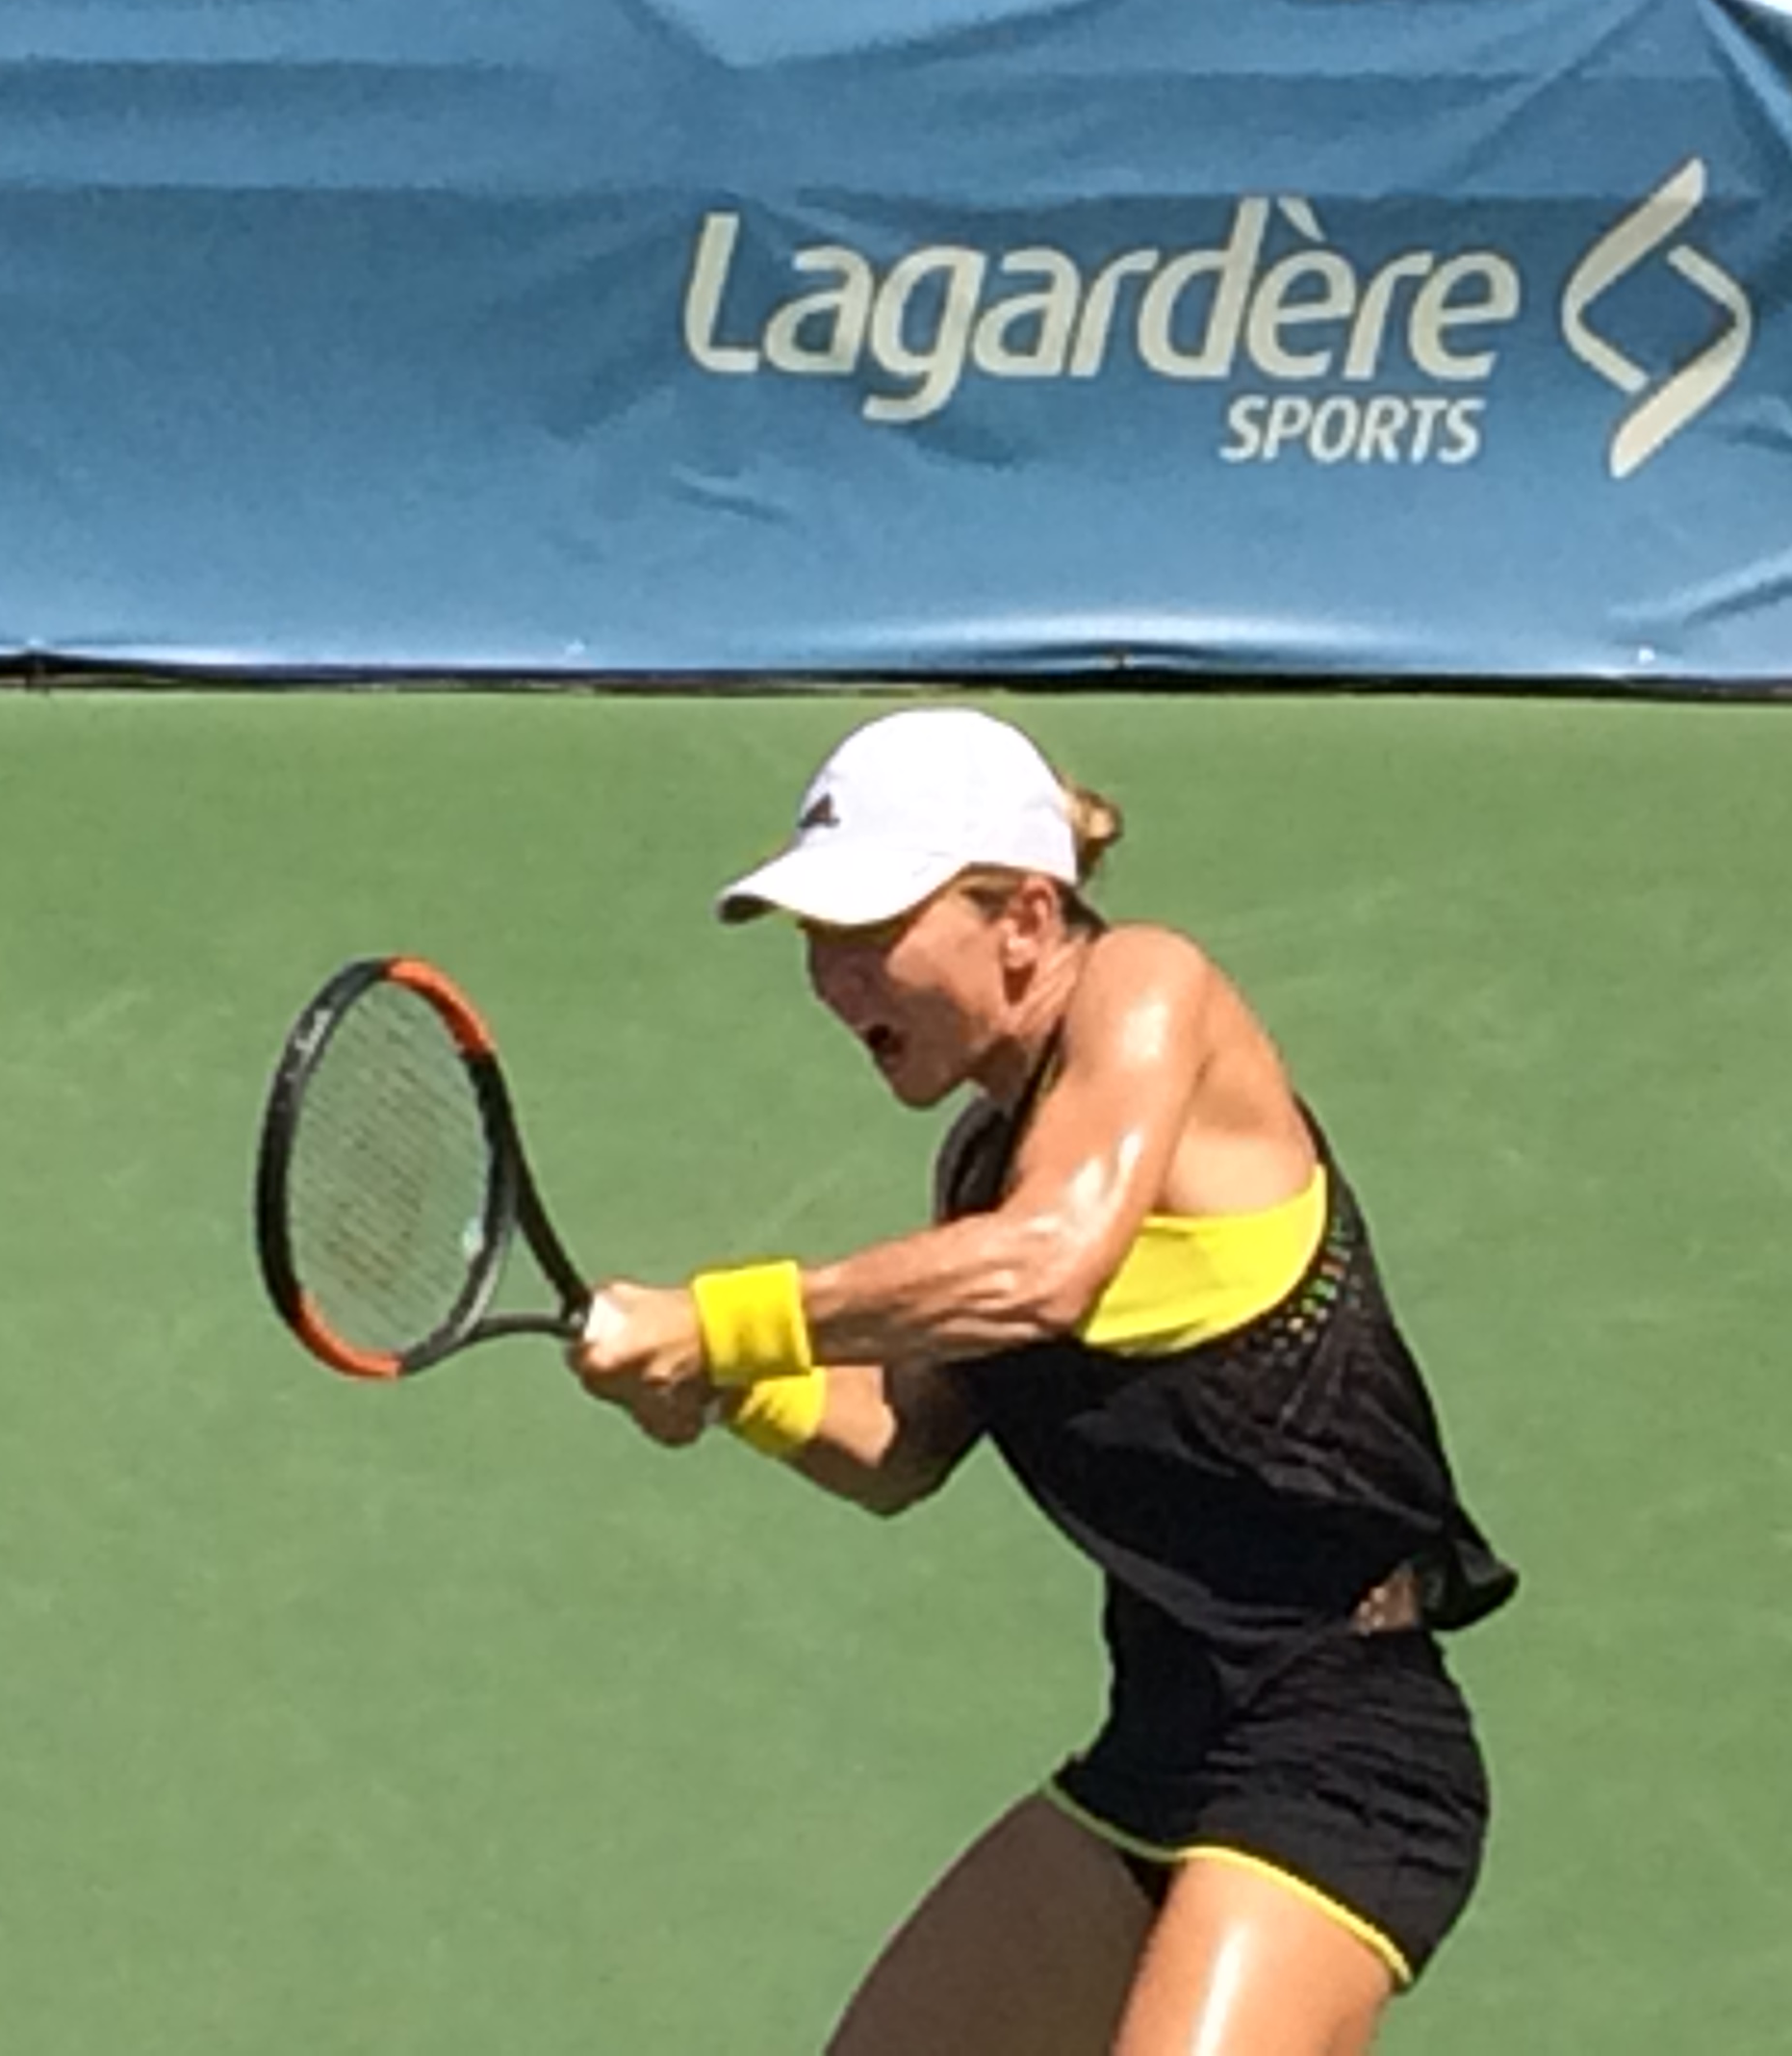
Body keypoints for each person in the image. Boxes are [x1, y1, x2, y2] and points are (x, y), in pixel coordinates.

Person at [568, 706, 1518, 2056]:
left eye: (870, 936)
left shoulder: (1148, 986)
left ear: (1022, 915)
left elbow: (1050, 1266)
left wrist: (725, 1324)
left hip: (1342, 1750)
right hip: (1164, 1747)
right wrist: (732, 1392)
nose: (838, 985)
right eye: (817, 947)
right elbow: (898, 1445)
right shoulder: (978, 1167)